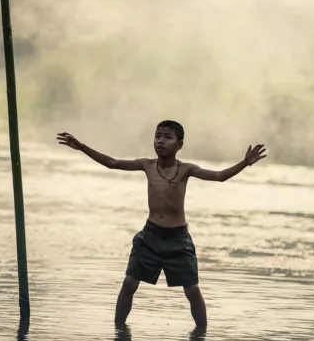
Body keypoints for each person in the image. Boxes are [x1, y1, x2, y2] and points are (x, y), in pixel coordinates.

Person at [57, 120, 266, 328]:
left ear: (179, 145)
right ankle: (118, 332)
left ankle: (201, 336)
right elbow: (112, 163)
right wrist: (82, 147)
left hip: (178, 239)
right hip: (150, 236)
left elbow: (219, 176)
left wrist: (245, 162)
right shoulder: (147, 165)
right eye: (158, 136)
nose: (161, 141)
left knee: (192, 290)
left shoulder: (185, 170)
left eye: (168, 137)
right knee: (129, 283)